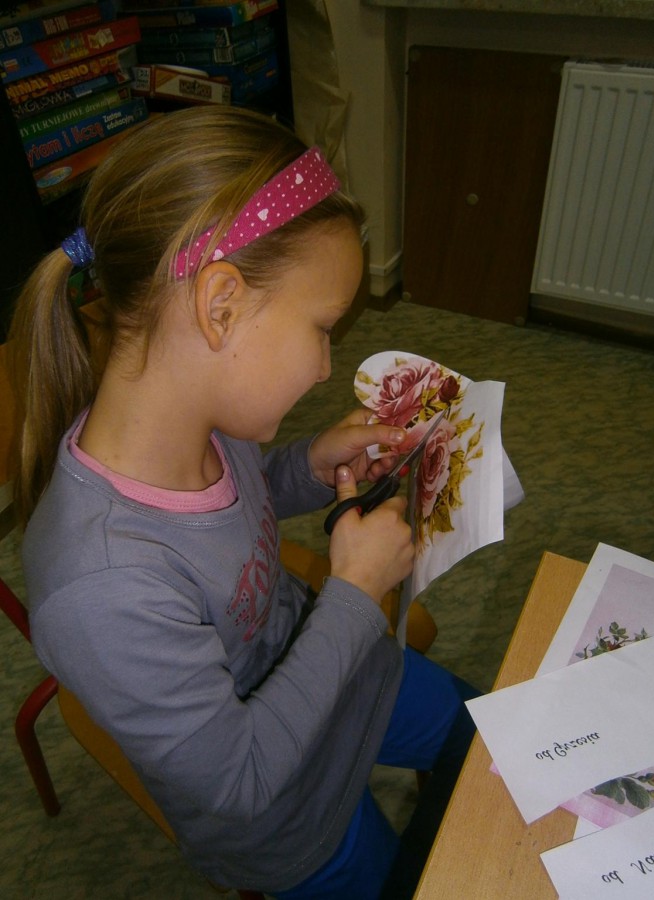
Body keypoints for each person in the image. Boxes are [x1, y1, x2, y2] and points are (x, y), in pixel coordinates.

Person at [9, 106, 478, 899]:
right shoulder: (99, 588)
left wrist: (309, 465)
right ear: (220, 304)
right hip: (291, 814)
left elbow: (237, 501)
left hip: (341, 667)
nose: (325, 366)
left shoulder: (199, 421)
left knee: (488, 738)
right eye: (322, 329)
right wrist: (356, 594)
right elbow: (241, 780)